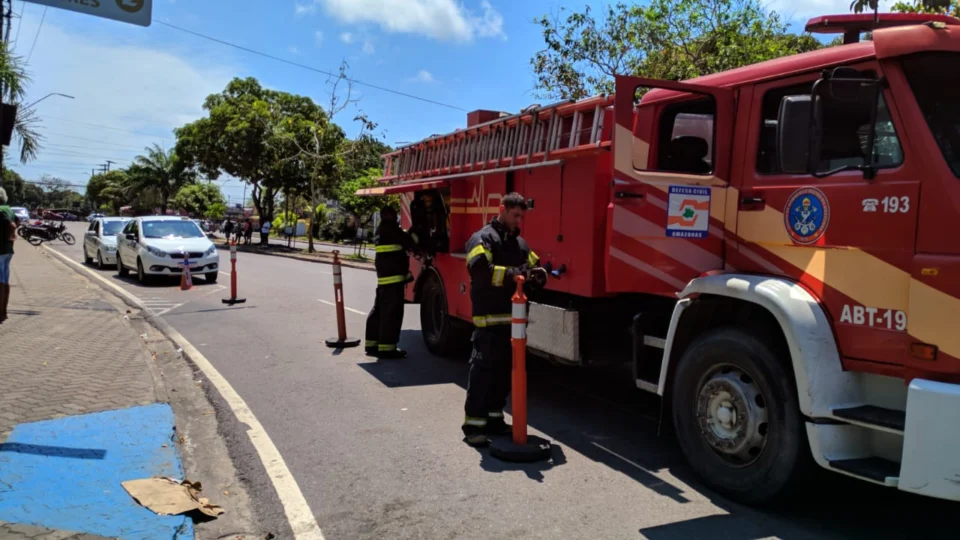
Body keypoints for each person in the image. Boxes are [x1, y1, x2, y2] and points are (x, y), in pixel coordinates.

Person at [461, 192, 547, 447]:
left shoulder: (519, 244)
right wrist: (515, 274)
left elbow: (534, 266)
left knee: (502, 376)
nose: (518, 220)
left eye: (521, 216)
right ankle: (473, 427)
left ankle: (494, 419)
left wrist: (539, 275)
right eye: (515, 215)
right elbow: (480, 271)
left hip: (512, 323)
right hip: (488, 320)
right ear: (502, 209)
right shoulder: (483, 238)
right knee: (482, 375)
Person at [365, 206, 419, 359]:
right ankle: (387, 349)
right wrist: (414, 232)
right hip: (394, 280)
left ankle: (371, 344)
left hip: (384, 279)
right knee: (392, 314)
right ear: (390, 215)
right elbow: (411, 243)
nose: (396, 217)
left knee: (379, 311)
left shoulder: (380, 231)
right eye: (395, 214)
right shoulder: (393, 231)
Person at [0, 187, 19, 324]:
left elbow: (12, 225)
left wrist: (10, 235)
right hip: (7, 250)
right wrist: (10, 237)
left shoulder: (1, 210)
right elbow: (17, 222)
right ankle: (4, 312)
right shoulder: (8, 209)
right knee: (5, 281)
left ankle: (1, 313)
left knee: (0, 282)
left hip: (0, 250)